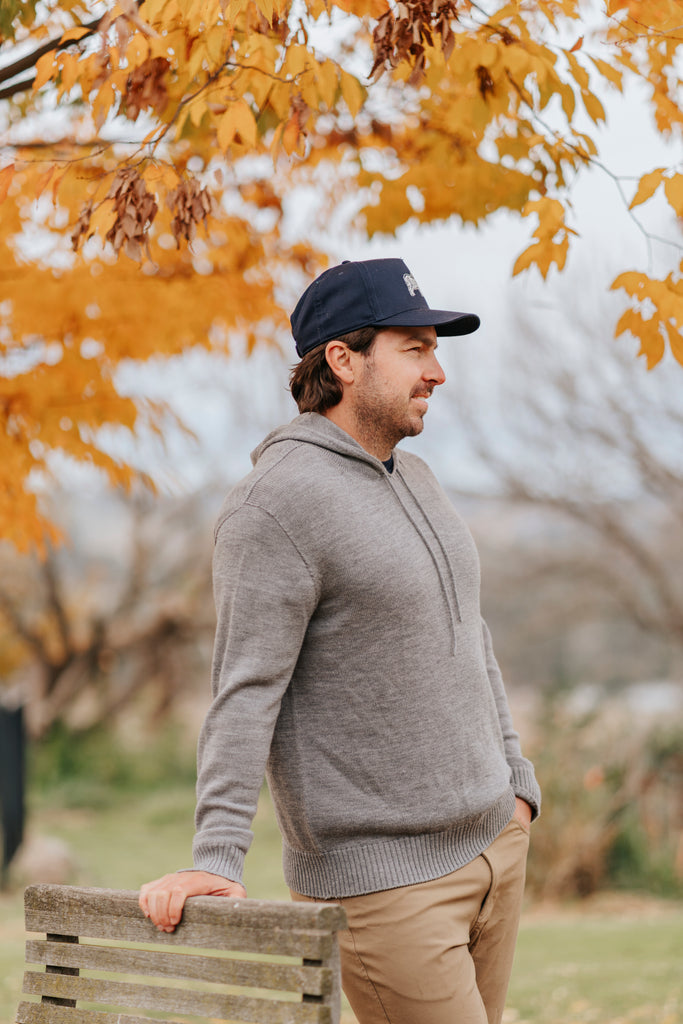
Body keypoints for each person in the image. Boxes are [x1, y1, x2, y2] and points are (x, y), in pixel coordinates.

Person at [139, 258, 541, 1024]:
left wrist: (516, 782)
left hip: (494, 844)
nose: (439, 372)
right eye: (416, 348)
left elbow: (469, 629)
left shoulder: (414, 476)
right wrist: (215, 859)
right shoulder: (275, 507)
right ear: (343, 360)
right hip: (384, 889)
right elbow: (244, 692)